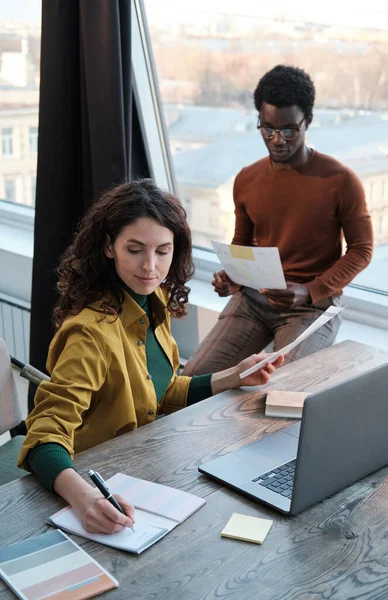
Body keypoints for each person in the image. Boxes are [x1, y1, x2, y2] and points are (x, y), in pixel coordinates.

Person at [18, 179, 283, 535]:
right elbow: (43, 437)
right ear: (109, 247)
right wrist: (84, 500)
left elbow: (162, 390)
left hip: (143, 468)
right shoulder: (89, 334)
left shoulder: (153, 305)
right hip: (94, 482)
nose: (150, 267)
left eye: (163, 251)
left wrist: (234, 375)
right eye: (135, 249)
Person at [183, 65, 373, 377]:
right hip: (255, 299)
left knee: (281, 393)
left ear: (307, 121)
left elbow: (362, 250)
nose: (277, 140)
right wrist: (233, 276)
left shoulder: (340, 180)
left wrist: (309, 291)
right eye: (267, 129)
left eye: (288, 130)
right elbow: (242, 244)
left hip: (312, 305)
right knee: (194, 381)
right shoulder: (247, 179)